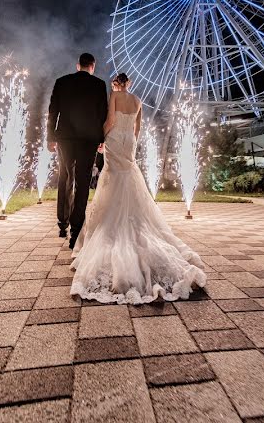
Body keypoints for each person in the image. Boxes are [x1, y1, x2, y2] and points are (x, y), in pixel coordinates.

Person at [70, 72, 206, 304]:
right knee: (129, 176)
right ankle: (133, 215)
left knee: (112, 178)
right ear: (129, 84)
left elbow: (111, 121)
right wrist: (129, 143)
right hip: (129, 142)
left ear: (116, 84)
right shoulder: (137, 100)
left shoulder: (113, 95)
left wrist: (101, 138)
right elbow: (137, 129)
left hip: (114, 139)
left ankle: (112, 218)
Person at [48, 53, 108, 248]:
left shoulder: (62, 82)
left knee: (65, 177)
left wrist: (50, 137)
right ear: (93, 66)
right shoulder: (99, 85)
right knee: (82, 183)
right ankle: (76, 232)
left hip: (65, 137)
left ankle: (62, 223)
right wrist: (102, 139)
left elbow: (53, 111)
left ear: (78, 65)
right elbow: (103, 115)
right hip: (88, 139)